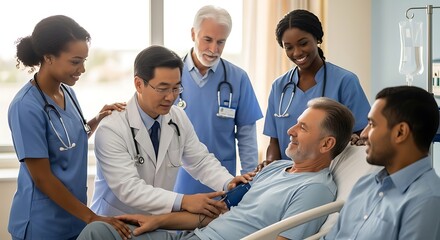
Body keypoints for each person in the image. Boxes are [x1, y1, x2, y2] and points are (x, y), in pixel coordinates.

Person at [77, 97, 355, 240]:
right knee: (99, 233)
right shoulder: (276, 168)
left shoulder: (315, 189)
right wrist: (158, 220)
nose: (291, 130)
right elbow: (217, 213)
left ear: (326, 143)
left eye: (302, 127)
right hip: (189, 235)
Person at [90, 45, 252, 220]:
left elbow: (200, 161)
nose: (170, 97)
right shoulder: (112, 128)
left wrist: (228, 182)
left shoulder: (177, 118)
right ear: (138, 84)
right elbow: (128, 188)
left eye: (176, 88)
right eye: (163, 88)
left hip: (155, 223)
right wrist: (184, 201)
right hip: (115, 222)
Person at [7, 15, 130, 239]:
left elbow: (69, 139)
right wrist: (92, 217)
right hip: (42, 224)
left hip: (73, 219)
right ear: (49, 57)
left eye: (84, 61)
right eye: (75, 61)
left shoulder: (68, 93)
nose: (82, 69)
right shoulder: (26, 106)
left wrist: (97, 119)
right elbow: (42, 178)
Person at [324, 86, 440, 239]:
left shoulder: (427, 200)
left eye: (372, 124)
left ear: (400, 132)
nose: (363, 134)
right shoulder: (364, 185)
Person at [173, 5, 263, 195]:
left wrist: (249, 181)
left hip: (222, 182)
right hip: (176, 181)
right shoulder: (171, 75)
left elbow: (247, 136)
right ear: (193, 34)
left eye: (220, 42)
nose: (214, 49)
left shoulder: (238, 78)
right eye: (207, 40)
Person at [263, 9, 370, 162]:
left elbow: (363, 134)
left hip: (330, 173)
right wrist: (269, 168)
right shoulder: (279, 86)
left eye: (303, 43)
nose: (297, 52)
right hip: (285, 175)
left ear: (317, 38)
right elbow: (274, 142)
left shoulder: (345, 81)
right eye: (289, 47)